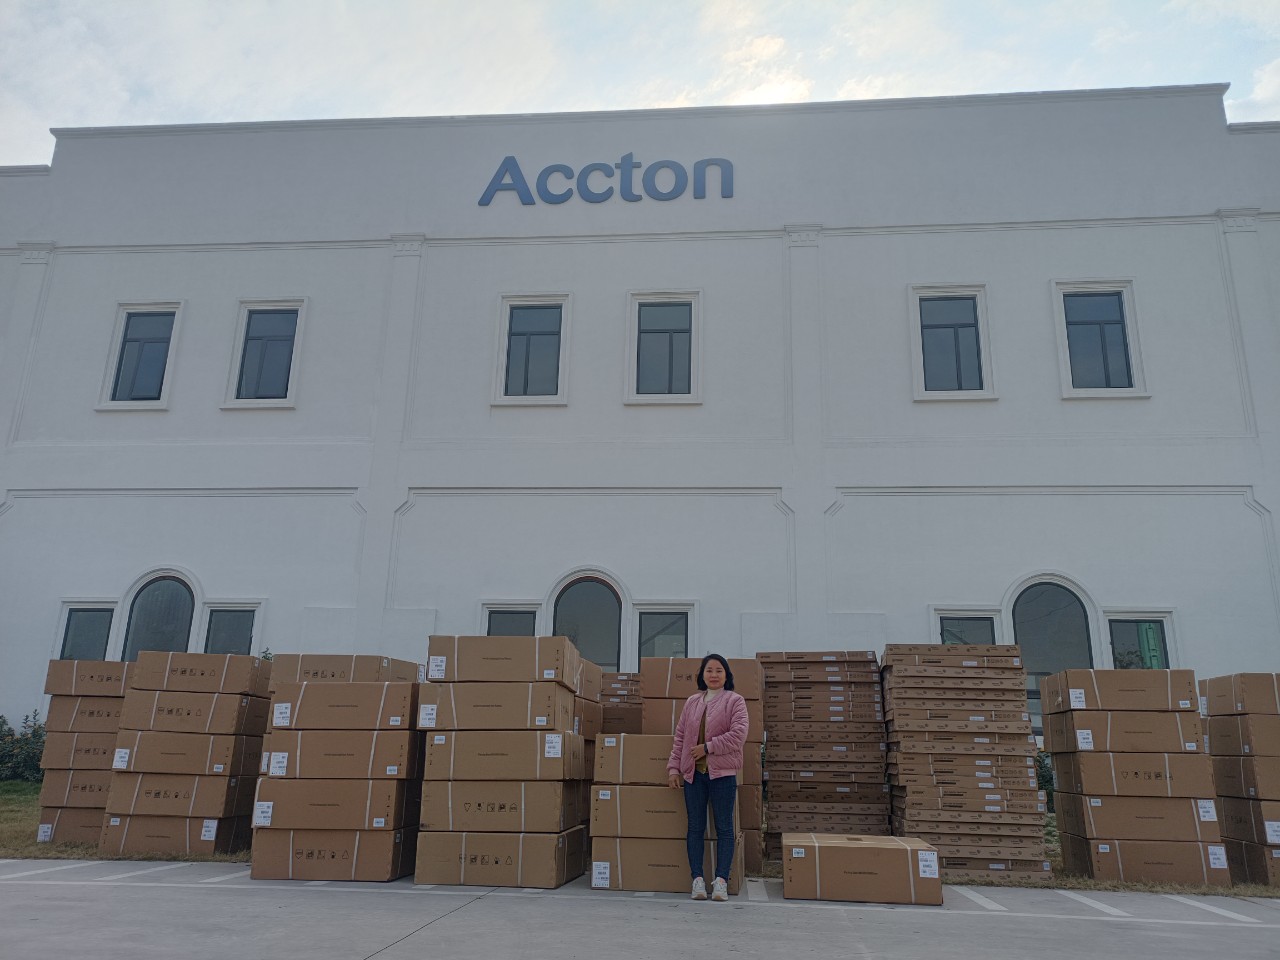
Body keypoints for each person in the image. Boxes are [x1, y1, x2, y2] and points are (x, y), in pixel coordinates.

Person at [667, 653, 749, 901]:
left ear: (726, 675)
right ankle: (697, 880)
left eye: (718, 670)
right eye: (709, 670)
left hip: (722, 776)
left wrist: (707, 747)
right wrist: (673, 768)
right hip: (694, 776)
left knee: (724, 828)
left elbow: (738, 735)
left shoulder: (735, 701)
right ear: (702, 675)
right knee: (695, 828)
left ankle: (721, 880)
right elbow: (680, 738)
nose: (713, 675)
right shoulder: (692, 702)